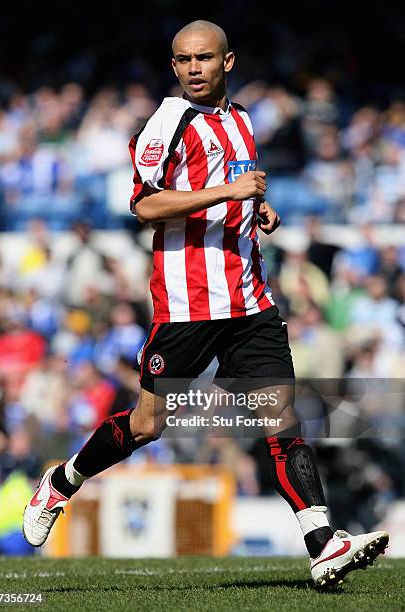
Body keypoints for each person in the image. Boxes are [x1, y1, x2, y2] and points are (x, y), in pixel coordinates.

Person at [23, 20, 389, 587]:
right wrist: (228, 193)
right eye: (183, 60)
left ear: (228, 62)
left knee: (282, 419)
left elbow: (238, 192)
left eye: (204, 59)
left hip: (249, 302)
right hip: (189, 306)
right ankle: (62, 482)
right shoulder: (167, 123)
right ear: (174, 67)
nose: (194, 69)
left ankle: (323, 544)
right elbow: (145, 207)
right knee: (148, 425)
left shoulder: (242, 121)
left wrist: (258, 212)